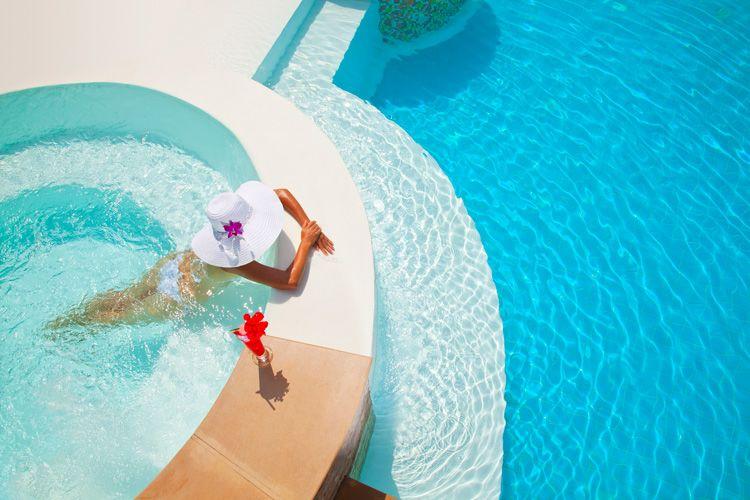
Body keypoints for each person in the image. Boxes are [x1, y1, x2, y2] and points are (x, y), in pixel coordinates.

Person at [48, 181, 333, 328]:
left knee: (124, 297)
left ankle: (68, 319)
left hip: (172, 265)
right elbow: (288, 282)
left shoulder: (223, 234)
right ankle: (67, 331)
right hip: (175, 296)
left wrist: (306, 223)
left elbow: (280, 193)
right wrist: (306, 241)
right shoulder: (236, 260)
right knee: (115, 319)